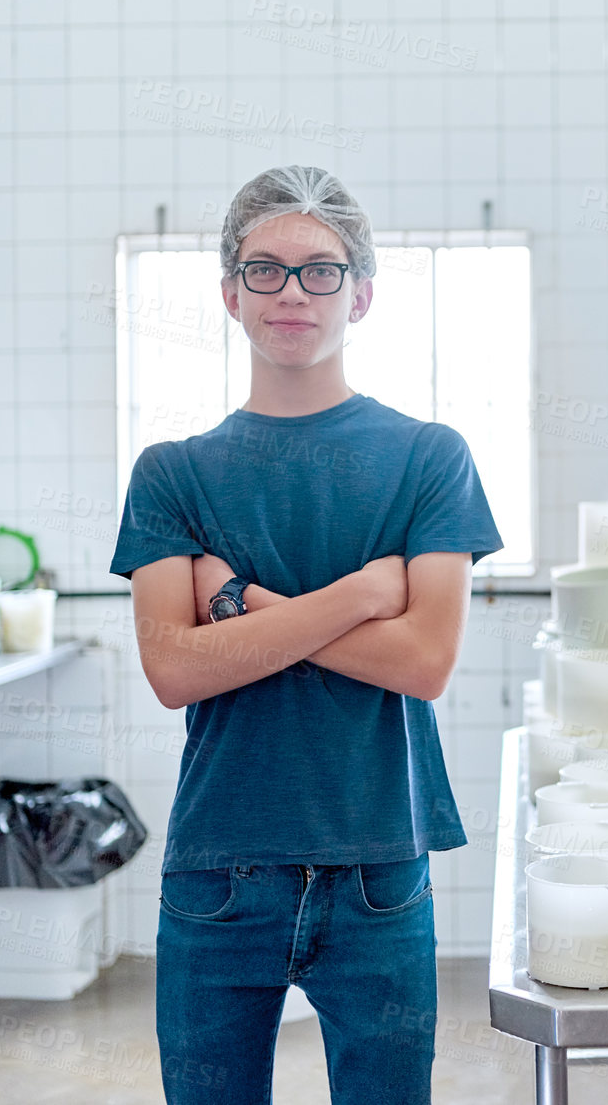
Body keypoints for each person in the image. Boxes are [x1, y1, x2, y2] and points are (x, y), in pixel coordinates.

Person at [109, 165, 503, 1104]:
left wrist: (238, 600)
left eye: (320, 270)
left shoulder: (428, 457)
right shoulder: (171, 474)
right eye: (265, 269)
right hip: (219, 872)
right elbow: (172, 669)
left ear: (361, 294)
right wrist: (365, 592)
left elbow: (423, 663)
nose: (292, 291)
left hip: (378, 865)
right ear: (229, 294)